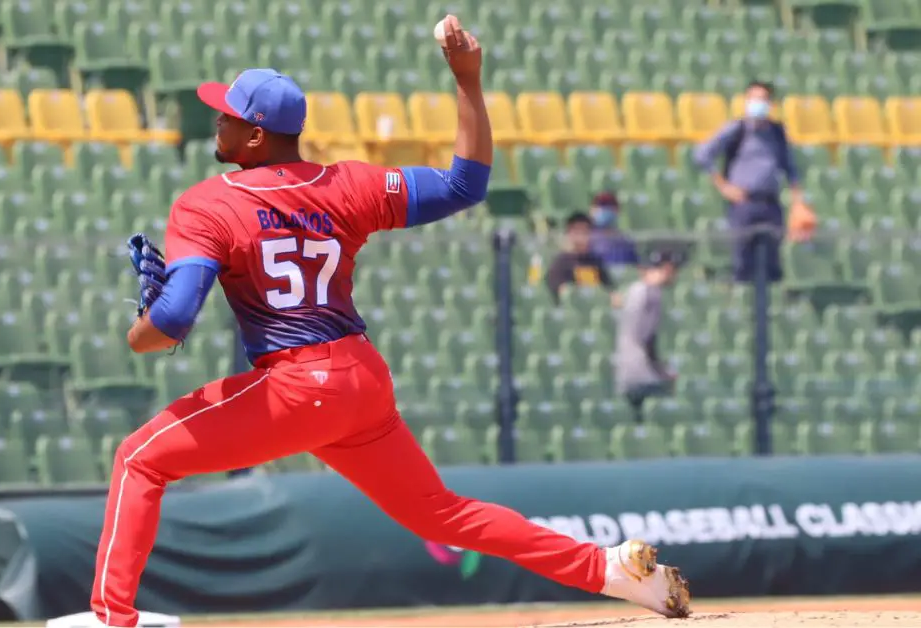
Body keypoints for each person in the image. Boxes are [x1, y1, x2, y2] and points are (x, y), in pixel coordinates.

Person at [89, 15, 689, 627]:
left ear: (254, 138)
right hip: (359, 379)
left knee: (140, 459)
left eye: (228, 116)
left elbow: (172, 320)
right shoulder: (349, 184)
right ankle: (611, 571)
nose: (217, 120)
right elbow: (465, 183)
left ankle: (112, 618)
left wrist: (141, 324)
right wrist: (468, 83)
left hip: (297, 386)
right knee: (443, 514)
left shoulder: (208, 203)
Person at [692, 80, 813, 284]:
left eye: (763, 99)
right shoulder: (737, 128)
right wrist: (724, 186)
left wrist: (798, 202)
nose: (758, 103)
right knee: (743, 260)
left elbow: (790, 168)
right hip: (744, 204)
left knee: (772, 263)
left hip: (770, 203)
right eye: (754, 99)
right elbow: (703, 155)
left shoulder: (776, 132)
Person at [614, 250, 682, 422]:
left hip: (627, 373)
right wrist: (663, 371)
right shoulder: (651, 293)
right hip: (643, 375)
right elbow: (646, 338)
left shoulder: (635, 290)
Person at [544, 211, 615, 304]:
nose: (583, 237)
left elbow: (609, 289)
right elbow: (562, 292)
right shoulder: (560, 263)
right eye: (578, 232)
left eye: (586, 232)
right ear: (569, 234)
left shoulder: (596, 261)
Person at [588, 191, 640, 266]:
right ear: (592, 210)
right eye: (601, 205)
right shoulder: (585, 239)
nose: (604, 209)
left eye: (609, 206)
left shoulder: (625, 240)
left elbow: (634, 267)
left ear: (617, 210)